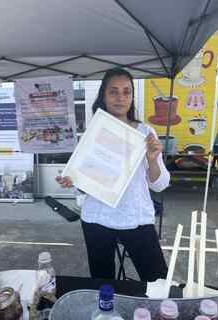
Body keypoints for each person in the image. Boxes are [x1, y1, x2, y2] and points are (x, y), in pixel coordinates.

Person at [56, 68, 170, 282]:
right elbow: (84, 182)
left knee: (158, 281)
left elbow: (160, 185)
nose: (120, 98)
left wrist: (153, 160)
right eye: (114, 92)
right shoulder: (93, 133)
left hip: (136, 218)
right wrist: (73, 180)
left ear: (132, 97)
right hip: (97, 218)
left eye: (126, 92)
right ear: (103, 96)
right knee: (102, 283)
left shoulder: (145, 134)